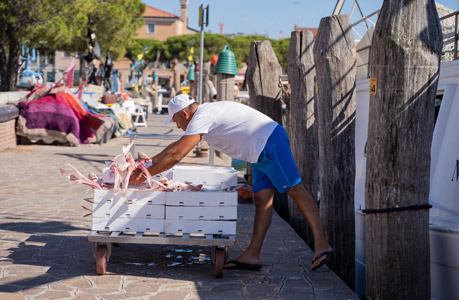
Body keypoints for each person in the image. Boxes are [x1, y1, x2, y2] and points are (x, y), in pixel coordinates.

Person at [129, 94, 334, 271]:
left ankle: (322, 245)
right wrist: (146, 165)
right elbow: (173, 147)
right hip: (257, 152)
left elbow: (176, 155)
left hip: (270, 142)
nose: (176, 125)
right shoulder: (203, 114)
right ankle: (252, 256)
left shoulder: (202, 116)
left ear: (185, 114)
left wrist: (146, 172)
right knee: (262, 200)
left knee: (295, 189)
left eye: (175, 120)